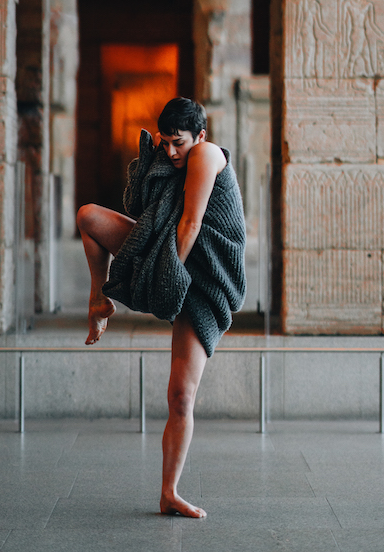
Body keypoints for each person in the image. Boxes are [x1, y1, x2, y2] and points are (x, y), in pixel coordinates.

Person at [77, 97, 246, 518]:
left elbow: (190, 222)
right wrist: (153, 155)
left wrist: (165, 278)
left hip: (204, 277)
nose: (171, 152)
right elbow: (140, 206)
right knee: (88, 217)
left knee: (181, 396)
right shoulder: (170, 158)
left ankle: (171, 492)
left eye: (179, 143)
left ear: (200, 137)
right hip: (169, 253)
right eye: (165, 142)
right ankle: (100, 298)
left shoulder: (206, 155)